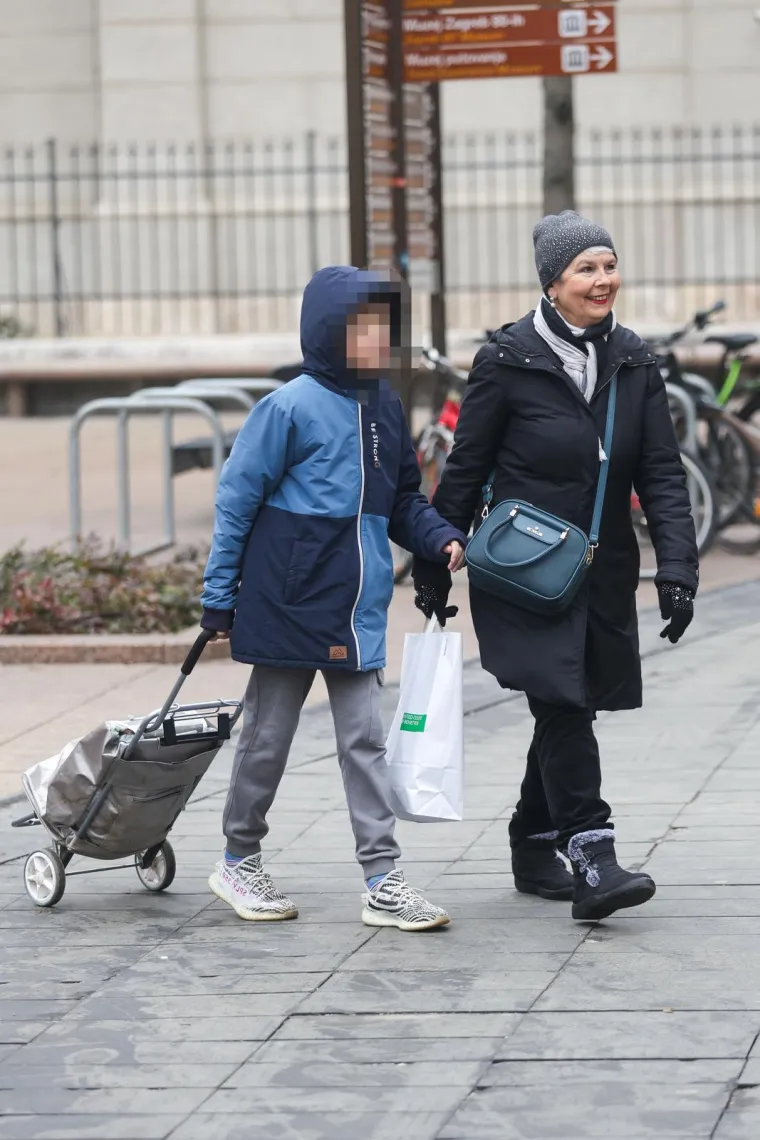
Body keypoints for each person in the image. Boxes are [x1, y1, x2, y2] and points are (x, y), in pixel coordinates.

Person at [413, 211, 699, 922]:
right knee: (564, 704)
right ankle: (594, 857)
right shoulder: (507, 360)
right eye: (587, 270)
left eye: (609, 266)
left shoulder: (634, 361)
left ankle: (531, 838)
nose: (604, 281)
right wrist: (434, 555)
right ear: (552, 282)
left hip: (600, 569)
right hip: (523, 569)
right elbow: (467, 464)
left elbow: (661, 472)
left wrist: (678, 568)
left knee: (569, 703)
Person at [200, 265, 466, 931]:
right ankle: (238, 858)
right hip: (289, 601)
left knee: (365, 741)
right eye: (364, 326)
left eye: (384, 327)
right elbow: (235, 503)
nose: (379, 339)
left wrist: (437, 539)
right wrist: (218, 597)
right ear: (330, 332)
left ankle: (383, 878)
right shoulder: (287, 407)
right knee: (267, 737)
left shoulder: (383, 408)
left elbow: (403, 497)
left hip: (356, 606)